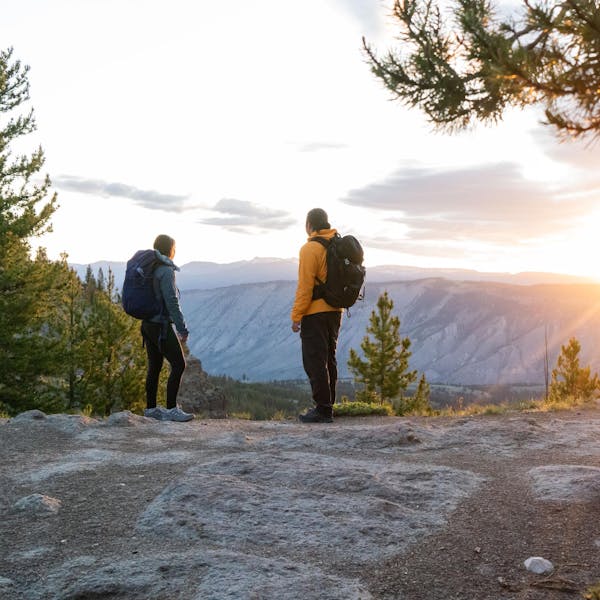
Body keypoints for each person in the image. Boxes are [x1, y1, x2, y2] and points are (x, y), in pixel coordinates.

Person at [291, 208, 343, 423]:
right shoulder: (335, 244)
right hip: (335, 310)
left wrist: (296, 315)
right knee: (330, 358)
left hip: (315, 312)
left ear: (309, 225)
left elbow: (305, 287)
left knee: (314, 360)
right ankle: (329, 405)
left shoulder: (310, 248)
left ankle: (322, 409)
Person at [141, 234, 193, 422]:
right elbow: (171, 301)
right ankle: (171, 409)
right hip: (160, 324)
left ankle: (151, 409)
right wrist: (182, 328)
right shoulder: (165, 270)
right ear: (169, 249)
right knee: (179, 364)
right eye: (174, 247)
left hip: (147, 324)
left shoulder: (149, 268)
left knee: (154, 366)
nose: (175, 250)